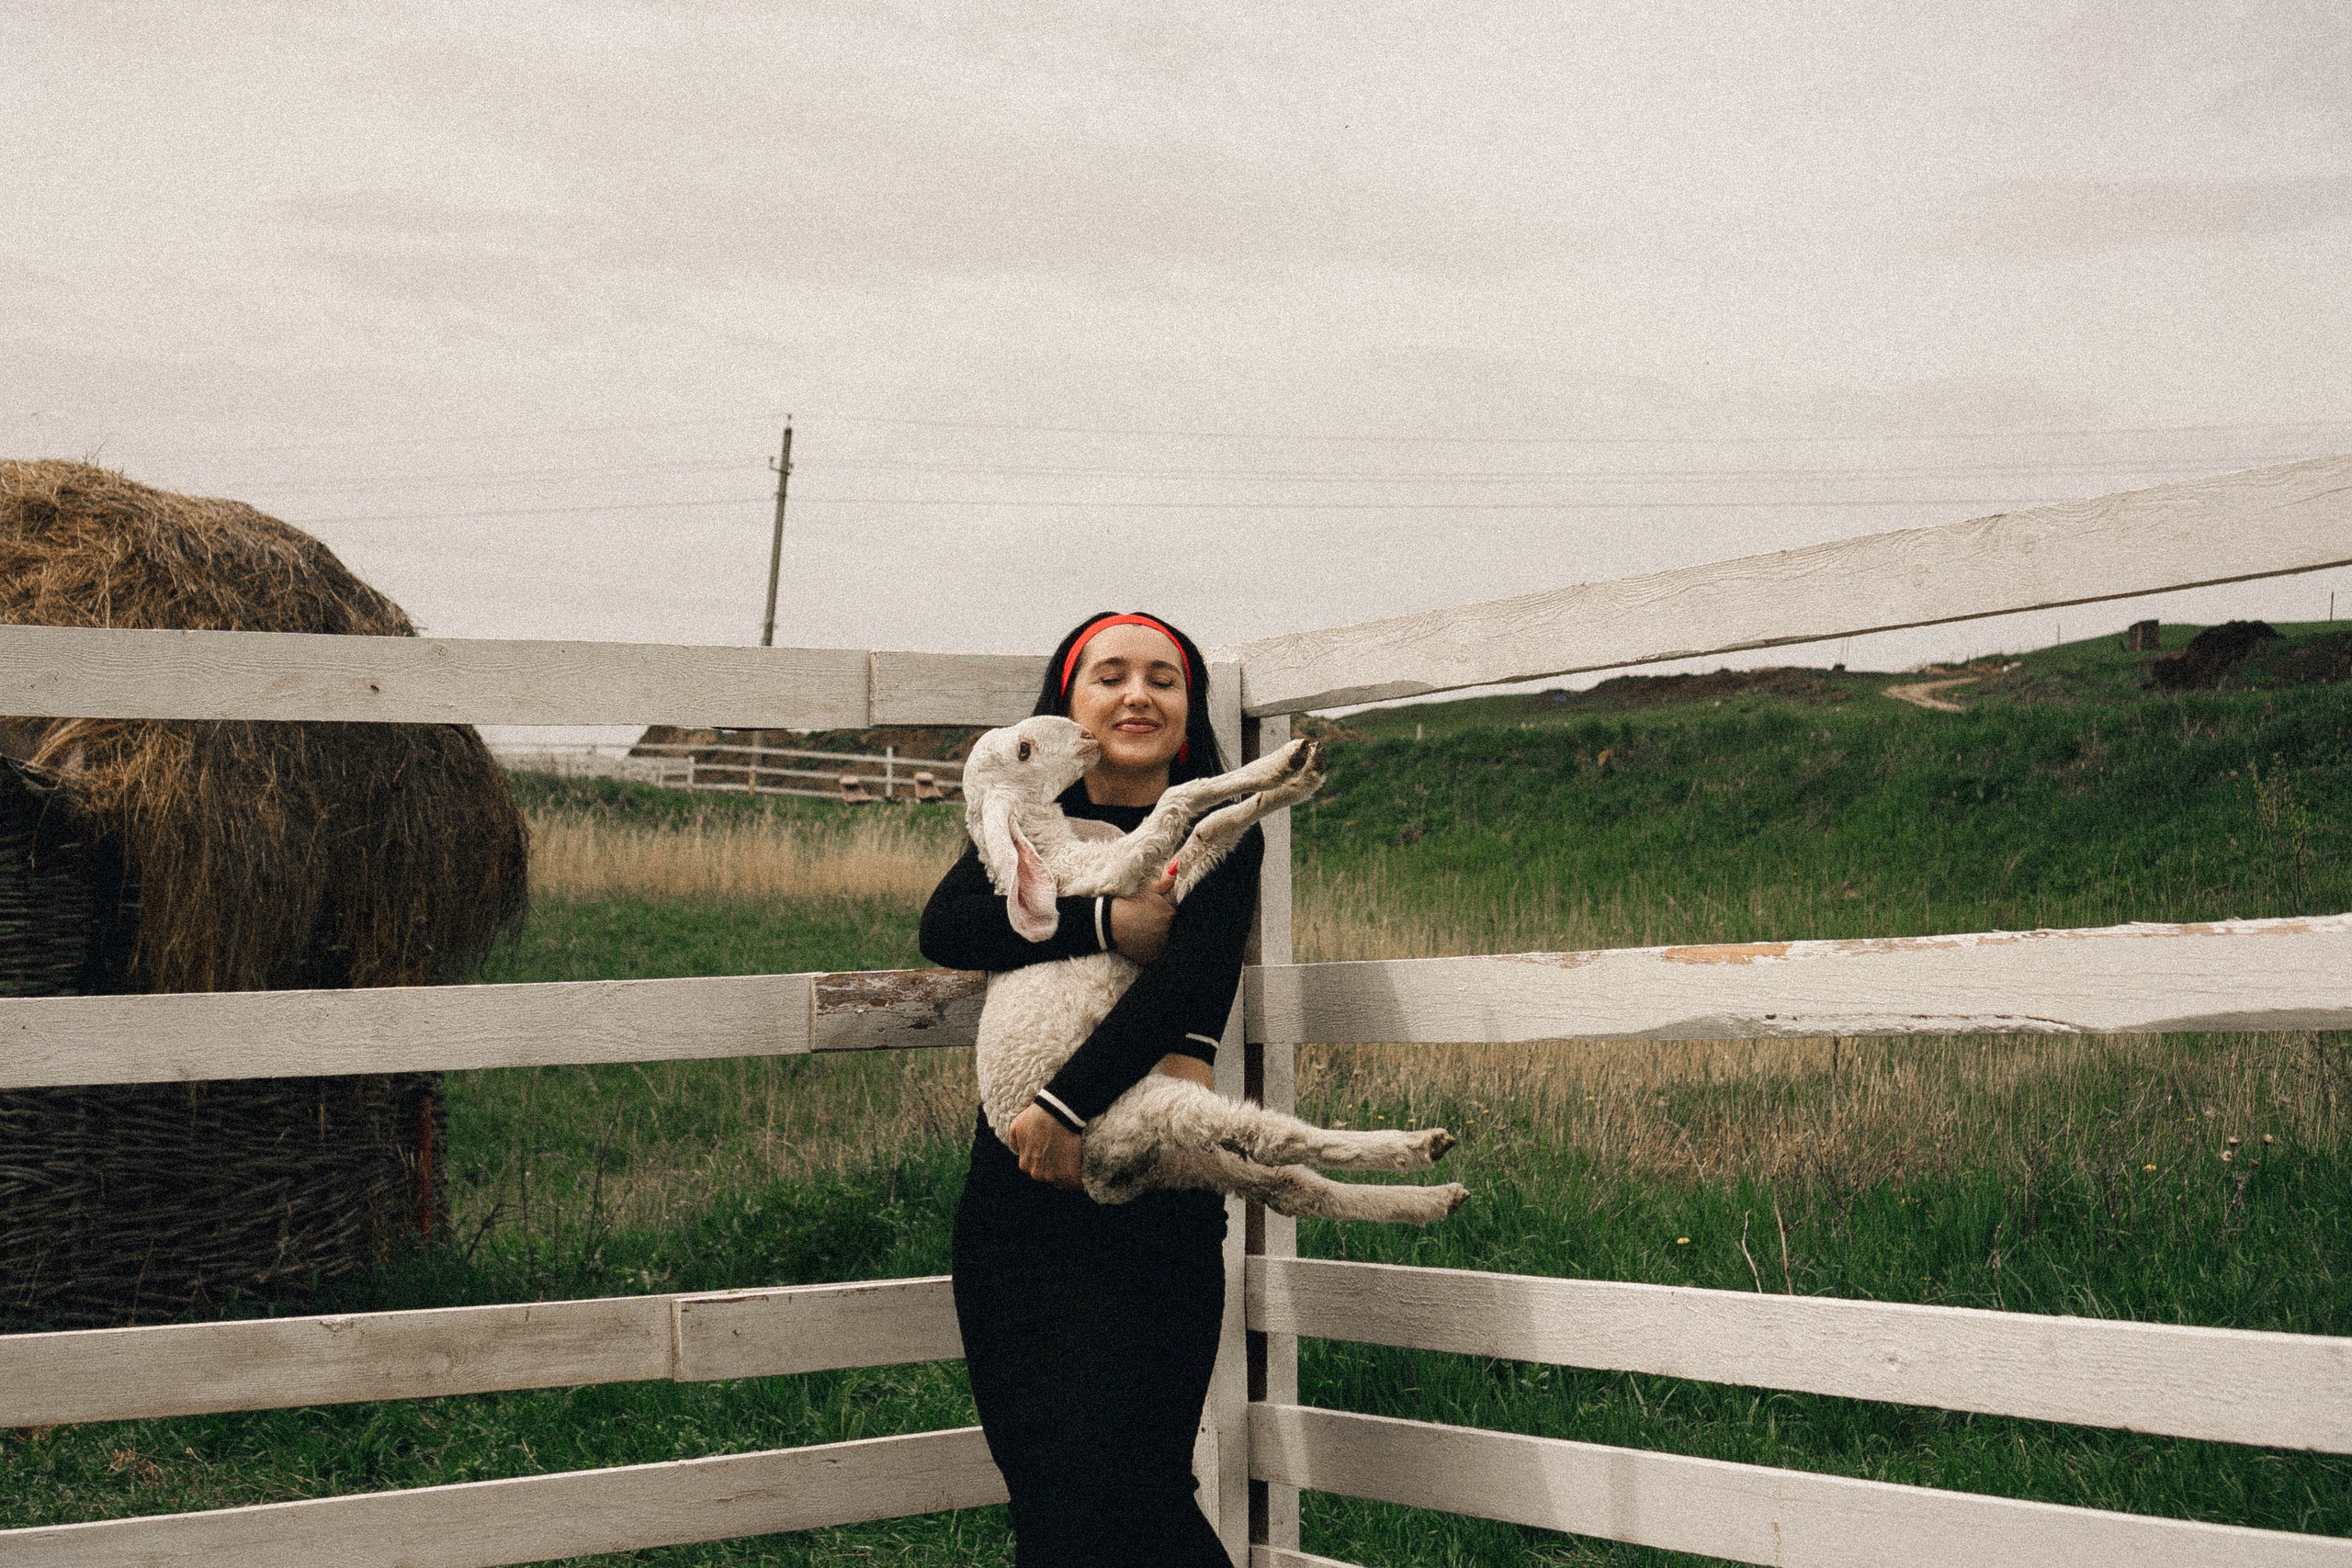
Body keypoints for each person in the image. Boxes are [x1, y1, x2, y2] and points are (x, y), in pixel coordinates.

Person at [922, 610, 1261, 1567]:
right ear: (1067, 709)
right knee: (1047, 1496)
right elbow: (947, 925)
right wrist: (1106, 922)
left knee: (1133, 1488)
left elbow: (1185, 989)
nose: (1136, 695)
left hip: (1148, 1194)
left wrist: (1062, 1108)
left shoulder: (1216, 831)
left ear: (1189, 711)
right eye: (1109, 676)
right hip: (1015, 1208)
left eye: (1163, 678)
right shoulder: (1031, 827)